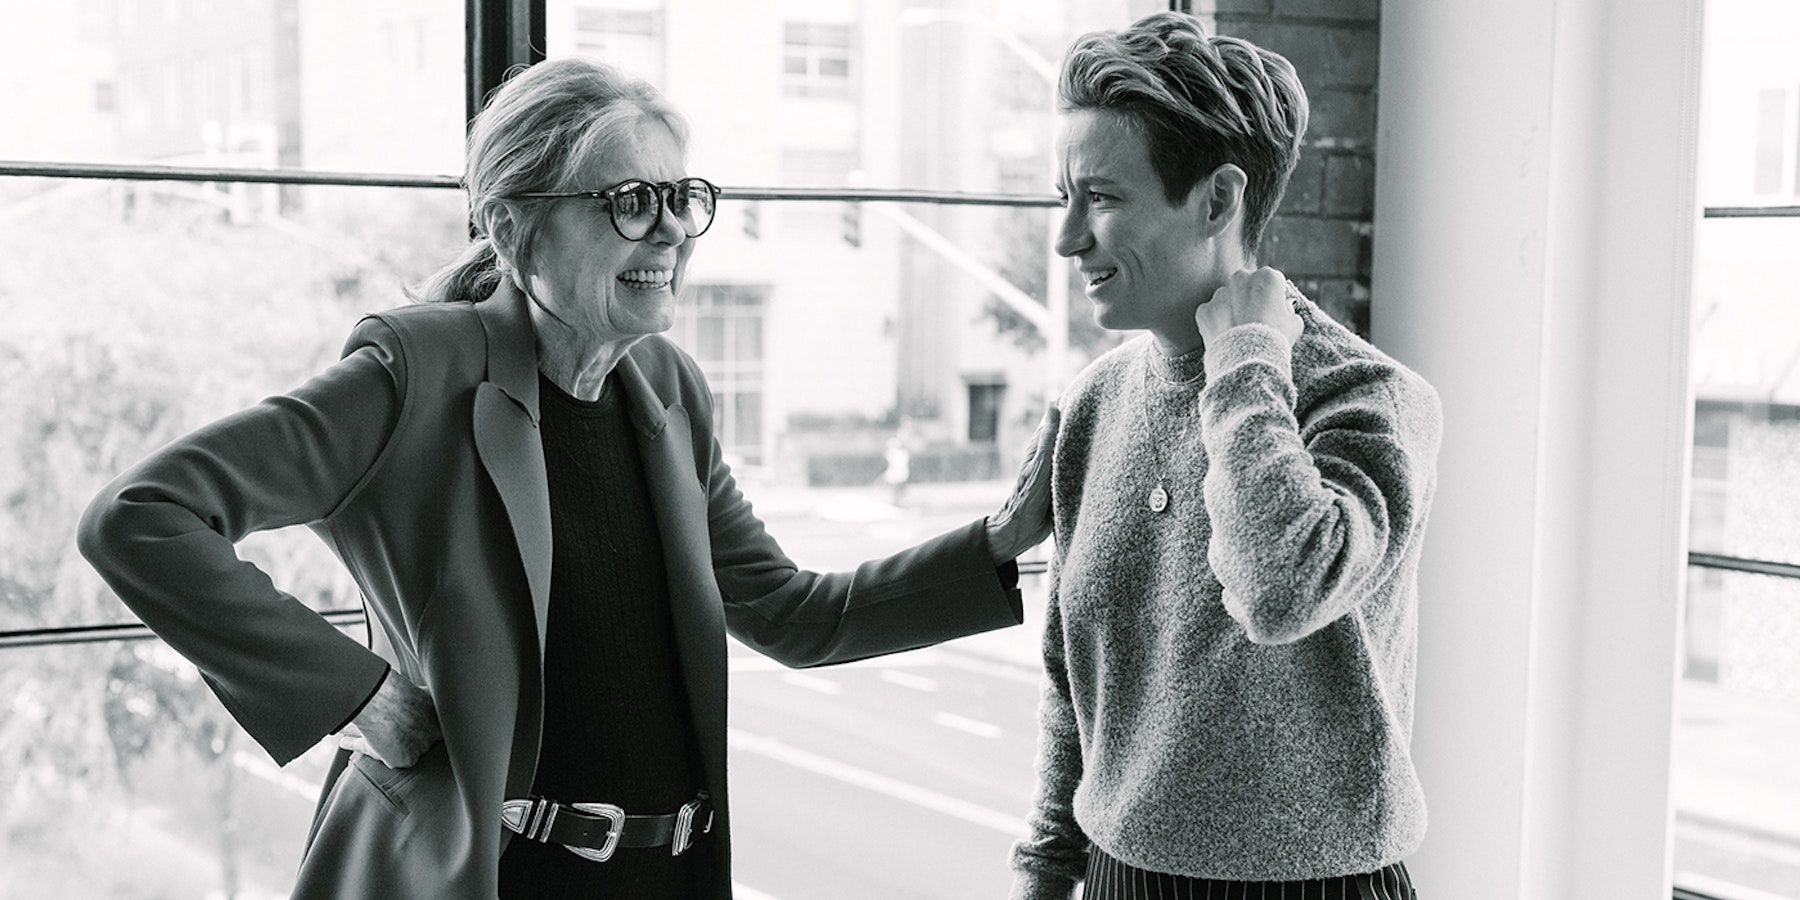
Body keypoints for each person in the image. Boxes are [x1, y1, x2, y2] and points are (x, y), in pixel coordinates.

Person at [77, 57, 1052, 900]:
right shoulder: (414, 374)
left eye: (682, 198)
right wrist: (354, 692)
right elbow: (142, 517)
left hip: (664, 874)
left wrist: (997, 546)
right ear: (513, 227)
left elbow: (792, 612)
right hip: (493, 878)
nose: (668, 232)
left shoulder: (667, 386)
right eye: (629, 201)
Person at [1005, 12, 1442, 900]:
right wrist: (1045, 872)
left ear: (1216, 200)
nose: (1068, 239)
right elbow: (1074, 681)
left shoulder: (1367, 399)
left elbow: (1280, 589)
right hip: (1121, 875)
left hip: (1314, 888)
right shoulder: (1094, 401)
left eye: (1104, 197)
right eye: (1065, 198)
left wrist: (1246, 363)